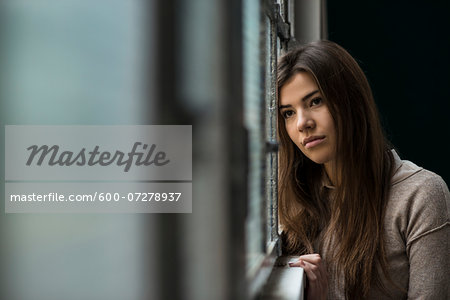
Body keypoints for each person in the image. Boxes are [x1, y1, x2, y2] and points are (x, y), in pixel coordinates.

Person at [277, 40, 449, 299]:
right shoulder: (295, 200)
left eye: (315, 101)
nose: (302, 123)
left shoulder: (420, 195)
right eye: (288, 113)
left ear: (351, 102)